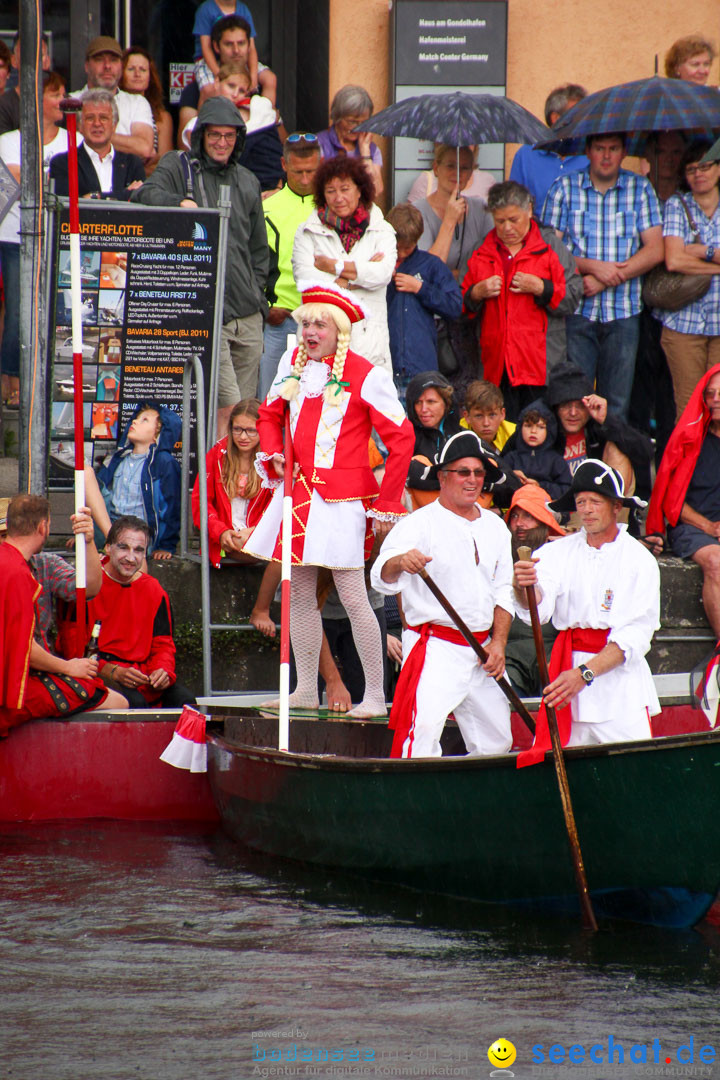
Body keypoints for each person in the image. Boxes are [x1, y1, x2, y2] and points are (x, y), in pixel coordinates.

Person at [243, 284, 415, 718]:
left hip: (343, 501)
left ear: (339, 331)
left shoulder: (366, 374)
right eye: (305, 323)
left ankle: (375, 695)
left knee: (354, 597)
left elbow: (402, 438)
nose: (309, 331)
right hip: (299, 493)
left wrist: (387, 504)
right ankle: (305, 688)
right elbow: (268, 414)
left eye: (319, 323)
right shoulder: (290, 363)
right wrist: (274, 453)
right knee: (298, 594)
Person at [371, 431, 514, 759]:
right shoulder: (417, 524)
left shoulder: (495, 527)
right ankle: (411, 806)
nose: (472, 480)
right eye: (463, 472)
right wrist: (400, 562)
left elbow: (504, 591)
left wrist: (499, 644)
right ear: (442, 476)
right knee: (419, 740)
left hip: (484, 651)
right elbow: (381, 575)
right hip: (436, 648)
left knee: (497, 743)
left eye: (478, 473)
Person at [133, 97, 269, 435]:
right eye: (214, 135)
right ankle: (215, 486)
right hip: (211, 313)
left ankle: (237, 483)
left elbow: (259, 249)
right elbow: (145, 194)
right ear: (200, 136)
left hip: (248, 316)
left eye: (229, 136)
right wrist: (179, 202)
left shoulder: (249, 181)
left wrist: (258, 300)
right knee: (227, 407)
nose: (222, 143)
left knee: (244, 414)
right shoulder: (178, 167)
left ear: (239, 138)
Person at [513, 459, 660, 764]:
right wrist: (522, 585)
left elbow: (636, 634)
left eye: (596, 501)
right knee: (571, 772)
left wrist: (584, 674)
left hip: (619, 687)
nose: (588, 509)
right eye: (581, 502)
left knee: (633, 774)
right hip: (567, 683)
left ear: (616, 506)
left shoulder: (638, 559)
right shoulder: (557, 552)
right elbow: (536, 606)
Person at [543, 133, 664, 423]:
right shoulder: (564, 188)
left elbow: (656, 249)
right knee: (574, 404)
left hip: (624, 313)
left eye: (613, 149)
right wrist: (592, 267)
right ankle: (577, 467)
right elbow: (547, 250)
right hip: (576, 313)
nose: (606, 156)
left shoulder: (640, 188)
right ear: (587, 151)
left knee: (617, 405)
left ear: (624, 152)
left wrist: (609, 277)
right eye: (599, 149)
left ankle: (612, 468)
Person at [0, 495, 127, 736]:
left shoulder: (33, 565)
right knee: (115, 701)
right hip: (15, 687)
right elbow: (22, 647)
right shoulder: (15, 572)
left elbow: (89, 587)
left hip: (26, 677)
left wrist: (89, 541)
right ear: (43, 527)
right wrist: (69, 668)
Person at [462, 180, 581, 417]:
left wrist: (542, 288)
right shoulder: (481, 250)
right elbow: (463, 306)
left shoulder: (550, 248)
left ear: (529, 210)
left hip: (539, 366)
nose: (506, 228)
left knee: (537, 431)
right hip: (496, 367)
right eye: (499, 221)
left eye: (513, 220)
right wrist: (477, 292)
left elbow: (573, 296)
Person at [0, 71, 81, 409]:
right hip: (15, 236)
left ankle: (51, 385)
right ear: (34, 99)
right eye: (54, 93)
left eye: (64, 92)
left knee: (60, 310)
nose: (62, 99)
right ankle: (14, 387)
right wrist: (53, 176)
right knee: (19, 310)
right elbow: (21, 185)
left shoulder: (72, 141)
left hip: (59, 237)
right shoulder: (7, 141)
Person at [62, 516, 195, 709]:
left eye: (139, 550)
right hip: (97, 673)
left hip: (143, 676)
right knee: (134, 703)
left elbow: (163, 644)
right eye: (123, 547)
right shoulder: (88, 585)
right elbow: (72, 649)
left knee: (186, 703)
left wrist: (162, 670)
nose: (131, 558)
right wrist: (110, 671)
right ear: (108, 547)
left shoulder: (154, 590)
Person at [292, 156, 396, 374]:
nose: (338, 197)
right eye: (330, 191)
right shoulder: (307, 230)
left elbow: (383, 274)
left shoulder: (382, 229)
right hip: (320, 345)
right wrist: (357, 277)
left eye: (345, 189)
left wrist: (334, 267)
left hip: (370, 346)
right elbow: (306, 281)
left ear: (360, 190)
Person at [646, 365, 720, 637]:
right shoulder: (689, 440)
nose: (715, 399)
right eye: (710, 393)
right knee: (716, 561)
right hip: (694, 529)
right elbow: (672, 502)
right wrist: (710, 528)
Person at [656, 140, 720, 418]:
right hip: (684, 324)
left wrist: (697, 251)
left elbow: (685, 257)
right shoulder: (676, 204)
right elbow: (674, 260)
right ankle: (694, 463)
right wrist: (713, 256)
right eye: (692, 168)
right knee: (690, 409)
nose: (698, 173)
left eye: (705, 166)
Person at [259, 134, 321, 399]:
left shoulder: (335, 205)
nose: (306, 179)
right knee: (271, 400)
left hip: (324, 318)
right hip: (280, 320)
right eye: (298, 172)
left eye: (312, 171)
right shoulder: (266, 209)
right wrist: (266, 307)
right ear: (284, 165)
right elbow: (255, 266)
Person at [83, 403, 182, 559]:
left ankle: (114, 544)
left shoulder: (164, 462)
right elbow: (96, 497)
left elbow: (171, 508)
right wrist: (89, 531)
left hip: (139, 533)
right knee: (84, 473)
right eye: (135, 419)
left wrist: (166, 546)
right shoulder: (118, 458)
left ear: (158, 434)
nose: (135, 422)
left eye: (144, 420)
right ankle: (110, 539)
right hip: (109, 527)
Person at [384, 202, 463, 392]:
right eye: (396, 247)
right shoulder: (377, 263)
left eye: (408, 248)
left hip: (420, 365)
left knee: (421, 418)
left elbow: (455, 306)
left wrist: (420, 288)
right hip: (384, 364)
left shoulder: (431, 265)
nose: (401, 253)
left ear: (418, 240)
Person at [180, 61, 282, 191]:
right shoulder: (195, 123)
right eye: (231, 86)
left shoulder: (260, 108)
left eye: (242, 91)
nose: (235, 94)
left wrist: (277, 188)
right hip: (229, 191)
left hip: (271, 188)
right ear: (217, 82)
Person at [504, 484, 564, 697]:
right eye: (515, 516)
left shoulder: (564, 557)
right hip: (508, 655)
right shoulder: (498, 558)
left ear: (544, 522)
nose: (519, 524)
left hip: (553, 653)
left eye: (528, 516)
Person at [177, 16, 277, 143]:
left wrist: (272, 118)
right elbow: (186, 145)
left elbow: (278, 138)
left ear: (249, 46)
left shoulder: (261, 87)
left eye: (241, 43)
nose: (236, 50)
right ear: (216, 47)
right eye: (229, 44)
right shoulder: (194, 90)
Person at [48, 89, 146, 199]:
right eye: (90, 118)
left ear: (114, 125)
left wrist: (95, 196)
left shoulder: (132, 164)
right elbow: (67, 206)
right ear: (79, 126)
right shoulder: (63, 163)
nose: (97, 124)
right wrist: (125, 194)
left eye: (103, 118)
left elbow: (141, 200)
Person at [510, 83, 589, 213]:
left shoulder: (592, 153)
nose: (584, 121)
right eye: (578, 114)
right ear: (556, 118)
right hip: (540, 232)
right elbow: (515, 208)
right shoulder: (526, 156)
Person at [76, 36, 154, 161]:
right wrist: (125, 142)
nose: (107, 66)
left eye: (113, 60)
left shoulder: (137, 102)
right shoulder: (71, 101)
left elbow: (144, 148)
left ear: (121, 66)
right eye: (99, 60)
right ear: (86, 66)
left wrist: (89, 134)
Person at [404, 370, 463, 509]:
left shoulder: (463, 437)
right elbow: (403, 471)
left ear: (446, 403)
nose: (423, 409)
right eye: (418, 402)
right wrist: (460, 480)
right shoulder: (408, 438)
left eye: (431, 401)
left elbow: (507, 479)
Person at [316, 84, 384, 198]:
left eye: (363, 123)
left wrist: (365, 154)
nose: (357, 128)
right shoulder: (319, 143)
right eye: (352, 122)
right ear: (337, 117)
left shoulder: (372, 150)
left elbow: (376, 190)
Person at [500, 399, 572, 499]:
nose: (533, 431)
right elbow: (498, 490)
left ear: (549, 430)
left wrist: (540, 486)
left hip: (547, 510)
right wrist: (511, 478)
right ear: (520, 428)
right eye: (528, 426)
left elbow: (567, 490)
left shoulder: (556, 460)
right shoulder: (511, 458)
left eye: (540, 427)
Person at [120, 47, 173, 175]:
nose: (137, 74)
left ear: (150, 76)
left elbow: (165, 164)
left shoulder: (162, 117)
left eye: (143, 70)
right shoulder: (112, 107)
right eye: (131, 69)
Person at [192, 0, 259, 91]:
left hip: (240, 61)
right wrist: (220, 75)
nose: (236, 49)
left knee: (270, 79)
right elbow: (206, 47)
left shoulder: (243, 9)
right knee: (209, 89)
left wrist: (253, 77)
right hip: (208, 61)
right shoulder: (206, 9)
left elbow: (251, 48)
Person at [407, 143, 496, 206]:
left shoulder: (487, 181)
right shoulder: (425, 181)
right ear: (436, 168)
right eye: (450, 166)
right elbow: (412, 229)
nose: (457, 173)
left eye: (464, 168)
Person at [0, 33, 51, 136]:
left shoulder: (60, 104)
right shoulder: (3, 105)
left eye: (40, 55)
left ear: (47, 61)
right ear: (14, 60)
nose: (34, 62)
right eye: (27, 56)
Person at [460, 379, 516, 452]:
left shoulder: (515, 434)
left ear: (502, 414)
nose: (486, 423)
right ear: (467, 417)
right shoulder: (456, 436)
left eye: (492, 415)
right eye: (479, 416)